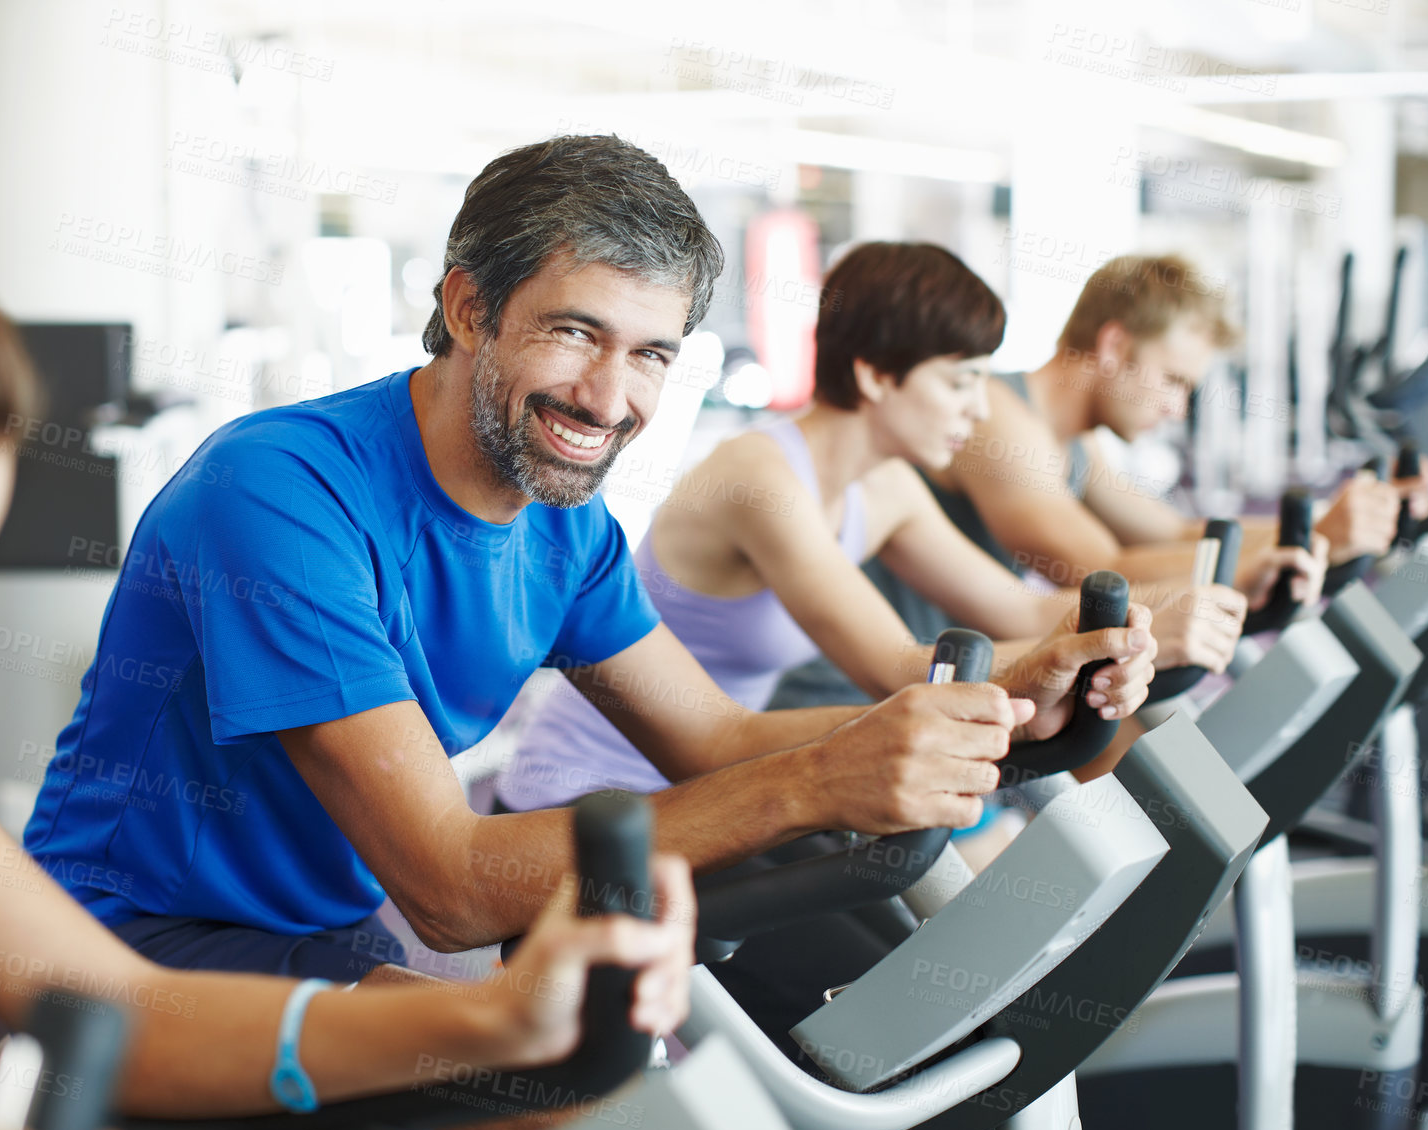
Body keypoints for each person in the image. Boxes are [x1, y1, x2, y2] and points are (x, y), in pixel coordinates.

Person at [21, 134, 1159, 982]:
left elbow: (710, 739)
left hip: (327, 918)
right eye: (573, 332)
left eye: (651, 352)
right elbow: (450, 881)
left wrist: (1006, 703)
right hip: (130, 938)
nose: (609, 399)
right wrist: (816, 782)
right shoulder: (280, 495)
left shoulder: (564, 525)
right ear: (469, 307)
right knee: (552, 1106)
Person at [0, 219, 697, 1130]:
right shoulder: (282, 482)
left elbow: (119, 1007)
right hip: (167, 907)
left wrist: (492, 1014)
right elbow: (445, 880)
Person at [493, 241, 1245, 816]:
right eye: (958, 381)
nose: (980, 409)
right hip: (590, 803)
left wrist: (1141, 623)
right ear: (878, 375)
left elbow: (1018, 610)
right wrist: (1079, 651)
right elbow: (895, 668)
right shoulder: (760, 477)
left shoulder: (884, 486)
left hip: (713, 790)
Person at [770, 251, 1391, 710]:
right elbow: (1101, 570)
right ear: (1115, 346)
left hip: (943, 677)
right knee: (1128, 766)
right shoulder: (1002, 426)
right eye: (1173, 380)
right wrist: (1306, 546)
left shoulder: (1072, 445)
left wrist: (1314, 534)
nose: (1177, 408)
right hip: (861, 692)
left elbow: (1174, 530)